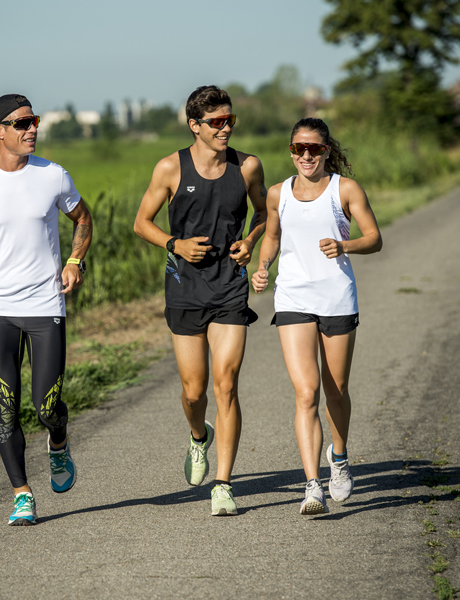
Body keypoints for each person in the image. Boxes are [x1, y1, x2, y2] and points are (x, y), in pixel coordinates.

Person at [0, 93, 92, 526]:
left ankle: (58, 442)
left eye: (34, 121)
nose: (32, 129)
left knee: (47, 406)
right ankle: (23, 494)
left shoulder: (53, 176)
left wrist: (75, 261)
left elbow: (83, 218)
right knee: (5, 404)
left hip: (46, 304)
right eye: (22, 123)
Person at [134, 85, 267, 516]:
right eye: (217, 122)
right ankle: (198, 436)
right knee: (194, 392)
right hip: (185, 287)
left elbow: (265, 212)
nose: (226, 128)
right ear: (195, 126)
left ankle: (223, 485)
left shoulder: (247, 167)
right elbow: (141, 223)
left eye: (230, 120)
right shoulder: (171, 167)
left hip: (230, 284)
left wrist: (250, 240)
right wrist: (175, 244)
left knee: (225, 383)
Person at [252, 117, 382, 515]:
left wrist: (345, 246)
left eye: (314, 149)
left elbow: (374, 238)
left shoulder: (345, 189)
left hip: (337, 298)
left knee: (335, 390)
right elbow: (272, 235)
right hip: (292, 296)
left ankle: (338, 458)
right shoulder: (278, 193)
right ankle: (312, 485)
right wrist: (263, 266)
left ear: (326, 150)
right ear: (290, 151)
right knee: (305, 392)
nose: (306, 155)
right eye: (298, 149)